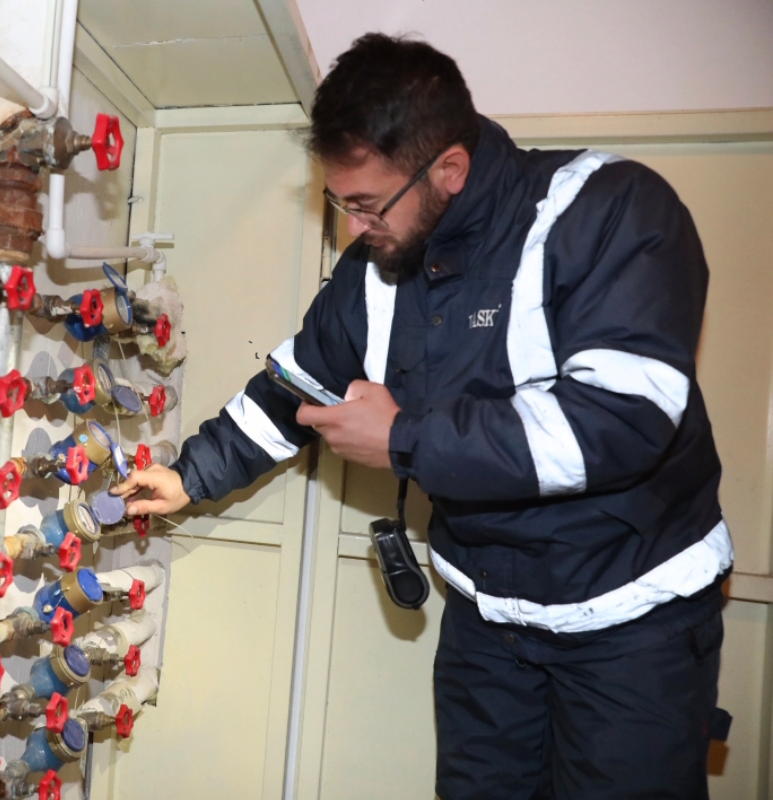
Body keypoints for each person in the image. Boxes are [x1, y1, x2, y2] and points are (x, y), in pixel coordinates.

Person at [111, 32, 732, 799]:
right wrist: (188, 477)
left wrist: (404, 439)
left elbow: (621, 422)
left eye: (367, 205)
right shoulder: (376, 267)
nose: (352, 229)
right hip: (488, 616)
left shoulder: (610, 211)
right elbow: (292, 388)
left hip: (635, 618)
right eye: (339, 203)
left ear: (450, 171)